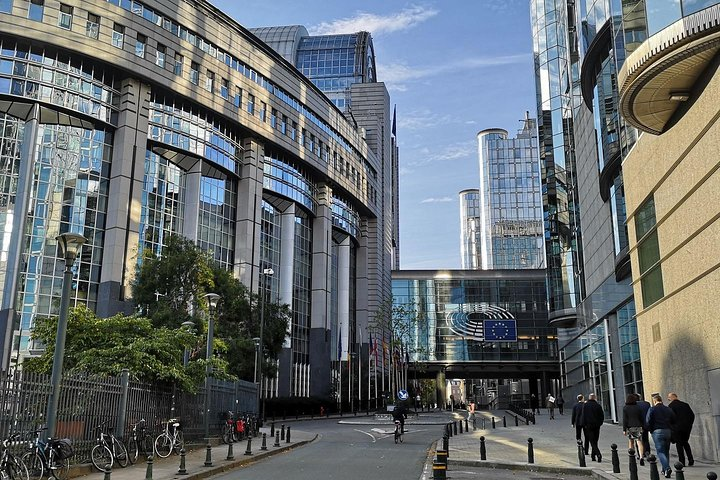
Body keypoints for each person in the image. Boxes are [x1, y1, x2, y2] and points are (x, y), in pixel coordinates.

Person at [646, 393, 676, 478]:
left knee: (660, 451)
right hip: (667, 431)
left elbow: (648, 421)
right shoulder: (668, 409)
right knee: (666, 450)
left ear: (654, 401)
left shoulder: (652, 409)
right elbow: (674, 419)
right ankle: (664, 470)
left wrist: (650, 430)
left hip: (657, 431)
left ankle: (666, 468)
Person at [667, 392, 695, 467]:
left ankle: (682, 461)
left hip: (677, 428)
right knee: (685, 443)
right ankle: (690, 459)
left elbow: (670, 418)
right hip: (686, 428)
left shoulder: (671, 406)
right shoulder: (685, 405)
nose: (668, 399)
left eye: (669, 397)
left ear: (672, 397)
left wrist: (672, 426)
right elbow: (692, 415)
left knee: (679, 444)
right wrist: (689, 424)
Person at [623, 393, 646, 465]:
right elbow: (642, 418)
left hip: (630, 427)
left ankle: (632, 455)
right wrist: (643, 426)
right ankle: (641, 456)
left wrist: (624, 429)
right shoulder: (638, 407)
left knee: (631, 442)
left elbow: (625, 419)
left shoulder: (625, 408)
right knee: (639, 441)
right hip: (638, 426)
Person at [581, 393, 605, 462]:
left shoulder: (585, 405)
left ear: (589, 398)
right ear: (595, 398)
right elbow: (601, 416)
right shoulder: (598, 406)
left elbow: (583, 415)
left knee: (592, 441)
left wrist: (584, 424)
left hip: (588, 426)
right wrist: (600, 423)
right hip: (596, 426)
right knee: (595, 440)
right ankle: (593, 456)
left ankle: (598, 454)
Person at [635, 393, 652, 459]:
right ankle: (647, 452)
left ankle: (640, 454)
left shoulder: (634, 405)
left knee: (638, 440)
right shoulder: (647, 404)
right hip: (646, 424)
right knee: (645, 439)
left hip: (638, 425)